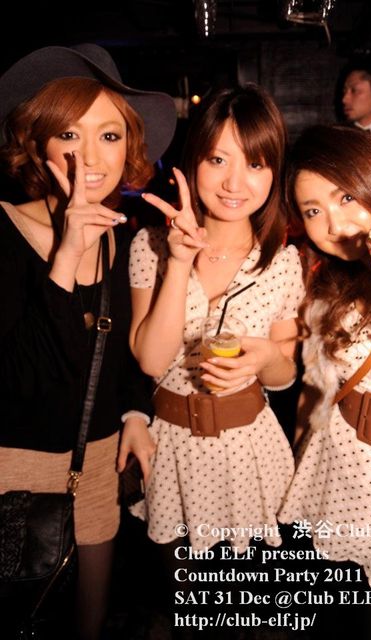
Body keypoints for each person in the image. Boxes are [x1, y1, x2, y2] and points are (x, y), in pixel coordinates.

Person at [0, 43, 176, 639]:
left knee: (90, 622)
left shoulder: (119, 238)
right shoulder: (5, 231)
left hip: (97, 460)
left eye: (109, 136)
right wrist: (66, 255)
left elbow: (119, 354)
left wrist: (135, 412)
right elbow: (21, 379)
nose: (91, 158)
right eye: (69, 136)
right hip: (15, 468)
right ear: (38, 144)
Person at [128, 84, 304, 619]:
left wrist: (265, 359)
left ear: (273, 173)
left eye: (255, 164)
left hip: (251, 453)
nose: (234, 182)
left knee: (244, 609)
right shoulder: (150, 247)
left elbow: (284, 374)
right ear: (193, 163)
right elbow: (151, 361)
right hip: (172, 452)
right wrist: (180, 261)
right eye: (218, 160)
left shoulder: (282, 261)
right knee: (182, 606)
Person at [280, 124, 371, 639]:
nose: (334, 224)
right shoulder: (330, 278)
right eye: (312, 210)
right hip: (339, 471)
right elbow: (317, 384)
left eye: (345, 196)